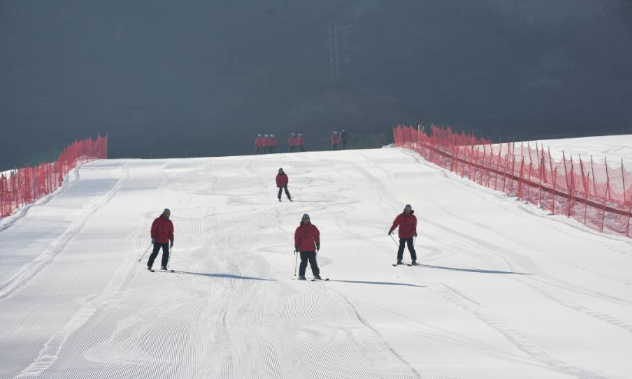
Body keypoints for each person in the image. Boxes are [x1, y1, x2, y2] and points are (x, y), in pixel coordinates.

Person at [294, 213, 321, 280]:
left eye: (307, 219)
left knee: (313, 262)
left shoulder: (313, 227)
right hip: (303, 249)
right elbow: (296, 238)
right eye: (305, 219)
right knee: (304, 263)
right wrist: (297, 246)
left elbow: (317, 236)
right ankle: (301, 275)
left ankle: (316, 275)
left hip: (311, 249)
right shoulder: (299, 229)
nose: (306, 221)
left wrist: (317, 244)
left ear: (309, 219)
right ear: (302, 220)